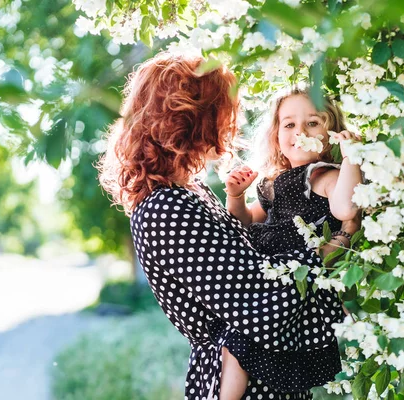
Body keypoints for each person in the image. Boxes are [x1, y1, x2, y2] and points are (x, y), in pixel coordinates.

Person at [98, 53, 348, 400]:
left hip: (265, 373)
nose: (232, 117)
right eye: (222, 107)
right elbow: (260, 299)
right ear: (188, 116)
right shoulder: (165, 208)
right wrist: (342, 240)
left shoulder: (188, 189)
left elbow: (249, 247)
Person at [225, 88, 363, 258]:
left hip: (302, 270)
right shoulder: (275, 181)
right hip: (263, 268)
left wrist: (351, 157)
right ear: (276, 138)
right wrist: (236, 196)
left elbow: (347, 210)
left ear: (333, 134)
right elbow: (247, 221)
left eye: (312, 123)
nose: (301, 132)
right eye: (290, 125)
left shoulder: (328, 177)